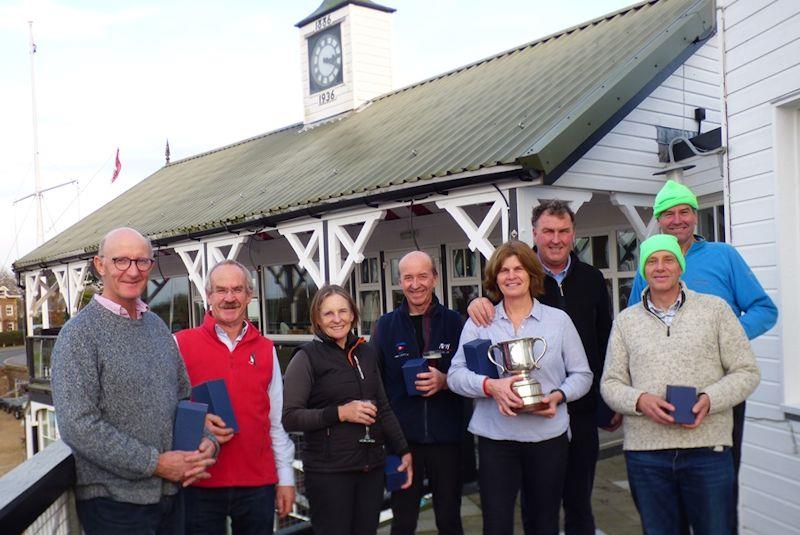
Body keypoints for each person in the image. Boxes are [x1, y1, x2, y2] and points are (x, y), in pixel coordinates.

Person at [627, 179, 777, 525]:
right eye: (668, 214)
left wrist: (723, 337)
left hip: (718, 391)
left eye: (684, 212)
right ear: (658, 220)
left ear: (695, 216)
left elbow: (763, 309)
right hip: (663, 393)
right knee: (666, 495)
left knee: (718, 499)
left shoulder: (723, 256)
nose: (677, 220)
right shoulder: (650, 262)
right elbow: (635, 325)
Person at [51, 227, 217, 534]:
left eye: (141, 262)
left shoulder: (156, 327)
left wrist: (207, 440)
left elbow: (182, 399)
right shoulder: (78, 336)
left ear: (150, 267)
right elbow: (78, 425)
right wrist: (155, 464)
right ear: (100, 266)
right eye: (121, 261)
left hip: (170, 498)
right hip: (113, 506)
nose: (132, 271)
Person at [467, 200, 615, 535]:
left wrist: (605, 402)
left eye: (563, 231)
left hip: (576, 408)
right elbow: (496, 293)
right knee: (522, 511)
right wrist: (478, 302)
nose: (556, 239)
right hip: (514, 422)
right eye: (548, 231)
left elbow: (605, 342)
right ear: (536, 233)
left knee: (577, 503)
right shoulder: (512, 282)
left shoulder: (592, 279)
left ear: (573, 234)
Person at [602, 234, 760, 535]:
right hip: (646, 455)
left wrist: (710, 399)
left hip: (707, 451)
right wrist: (639, 401)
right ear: (643, 270)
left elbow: (746, 371)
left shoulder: (716, 311)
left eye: (668, 259)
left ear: (681, 265)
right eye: (651, 261)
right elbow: (611, 383)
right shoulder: (625, 322)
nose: (660, 267)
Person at [448, 240, 592, 535]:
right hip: (496, 439)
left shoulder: (558, 321)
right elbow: (454, 375)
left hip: (548, 437)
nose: (511, 276)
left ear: (531, 273)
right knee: (496, 525)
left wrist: (558, 396)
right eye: (503, 270)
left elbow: (582, 374)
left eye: (518, 269)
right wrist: (490, 386)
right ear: (495, 277)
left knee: (544, 524)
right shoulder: (481, 321)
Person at [175, 260, 296, 534]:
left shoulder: (266, 349)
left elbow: (275, 421)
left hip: (257, 485)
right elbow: (161, 408)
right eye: (221, 290)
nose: (229, 298)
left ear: (249, 296)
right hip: (199, 481)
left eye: (237, 290)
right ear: (208, 296)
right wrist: (197, 421)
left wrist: (286, 478)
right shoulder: (179, 344)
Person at [282, 284, 413, 535]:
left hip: (370, 469)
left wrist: (403, 449)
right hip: (328, 473)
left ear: (353, 314)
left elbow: (383, 407)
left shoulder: (366, 352)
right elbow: (290, 417)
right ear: (318, 320)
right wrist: (340, 413)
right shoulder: (306, 357)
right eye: (328, 313)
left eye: (343, 311)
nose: (337, 319)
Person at [371, 251, 465, 535]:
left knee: (449, 520)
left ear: (434, 278)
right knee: (403, 522)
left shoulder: (455, 322)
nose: (415, 284)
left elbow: (471, 377)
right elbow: (377, 385)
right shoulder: (385, 326)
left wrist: (445, 381)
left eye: (422, 276)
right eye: (408, 277)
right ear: (399, 281)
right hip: (402, 444)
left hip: (447, 441)